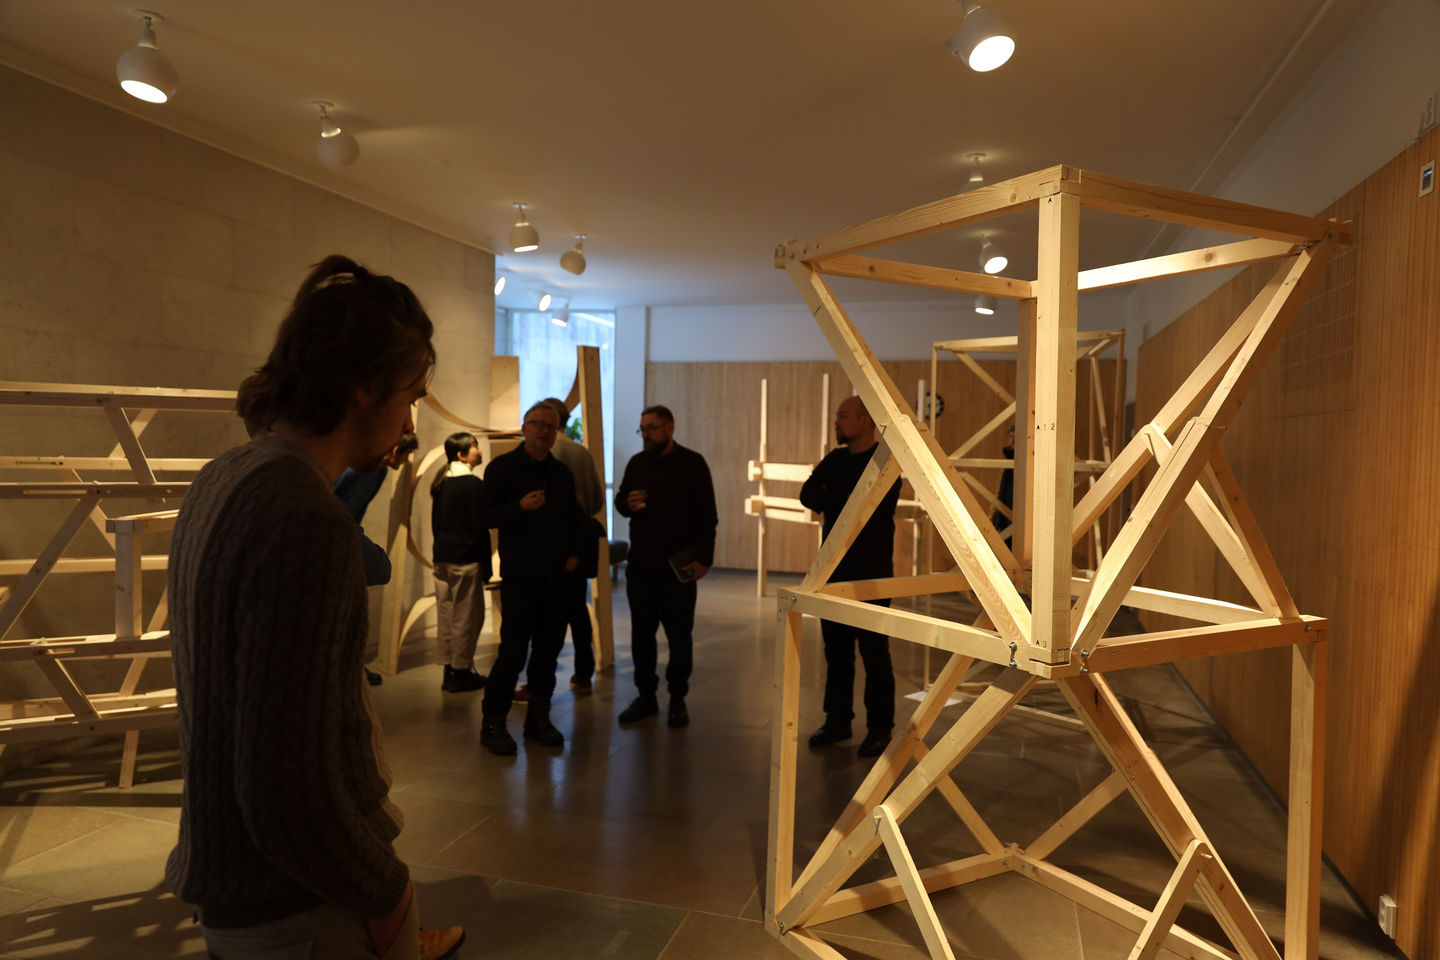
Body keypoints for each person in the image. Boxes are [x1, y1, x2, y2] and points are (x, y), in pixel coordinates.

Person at [166, 255, 463, 959]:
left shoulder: (226, 475)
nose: (410, 415)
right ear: (362, 387)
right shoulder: (304, 518)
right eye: (408, 392)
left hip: (245, 889)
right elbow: (285, 785)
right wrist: (387, 893)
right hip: (298, 905)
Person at [477, 402, 586, 755]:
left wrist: (574, 557)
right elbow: (485, 516)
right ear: (524, 428)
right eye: (537, 424)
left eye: (550, 427)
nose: (543, 431)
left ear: (557, 433)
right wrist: (518, 509)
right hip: (521, 577)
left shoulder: (561, 473)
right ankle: (493, 722)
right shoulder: (503, 469)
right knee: (512, 653)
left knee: (548, 652)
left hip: (557, 579)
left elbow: (575, 520)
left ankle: (538, 718)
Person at [799, 395, 901, 759]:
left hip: (871, 574)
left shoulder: (885, 463)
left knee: (874, 654)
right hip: (834, 572)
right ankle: (837, 721)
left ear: (864, 421)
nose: (836, 422)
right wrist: (837, 497)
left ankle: (879, 729)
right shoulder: (836, 459)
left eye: (843, 416)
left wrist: (833, 496)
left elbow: (868, 510)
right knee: (837, 652)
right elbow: (807, 493)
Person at [613, 404, 717, 729]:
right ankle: (646, 697)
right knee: (642, 635)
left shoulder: (693, 463)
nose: (646, 434)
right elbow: (620, 501)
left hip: (678, 569)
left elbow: (707, 517)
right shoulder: (637, 463)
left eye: (652, 428)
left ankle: (677, 699)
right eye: (642, 429)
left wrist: (705, 560)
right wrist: (626, 505)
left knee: (678, 636)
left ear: (670, 428)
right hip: (641, 566)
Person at [334, 432, 420, 685]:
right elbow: (341, 506)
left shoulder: (377, 471)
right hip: (338, 535)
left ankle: (353, 667)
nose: (404, 461)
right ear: (395, 451)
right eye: (404, 455)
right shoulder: (363, 470)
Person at [541, 397, 604, 691]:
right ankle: (583, 673)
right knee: (578, 611)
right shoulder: (581, 452)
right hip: (578, 544)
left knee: (545, 618)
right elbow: (594, 502)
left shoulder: (542, 453)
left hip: (549, 546)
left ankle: (540, 680)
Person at [430, 432, 490, 694]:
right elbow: (480, 529)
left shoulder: (441, 482)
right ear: (461, 454)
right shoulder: (473, 485)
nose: (479, 450)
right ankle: (461, 671)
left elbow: (436, 524)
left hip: (442, 557)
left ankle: (448, 668)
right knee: (467, 616)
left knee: (446, 614)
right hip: (466, 558)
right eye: (474, 446)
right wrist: (486, 567)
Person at [991, 424, 1015, 546]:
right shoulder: (1008, 460)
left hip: (1015, 519)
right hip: (1005, 518)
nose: (1013, 441)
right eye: (1010, 437)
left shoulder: (1023, 462)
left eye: (1015, 437)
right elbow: (1000, 491)